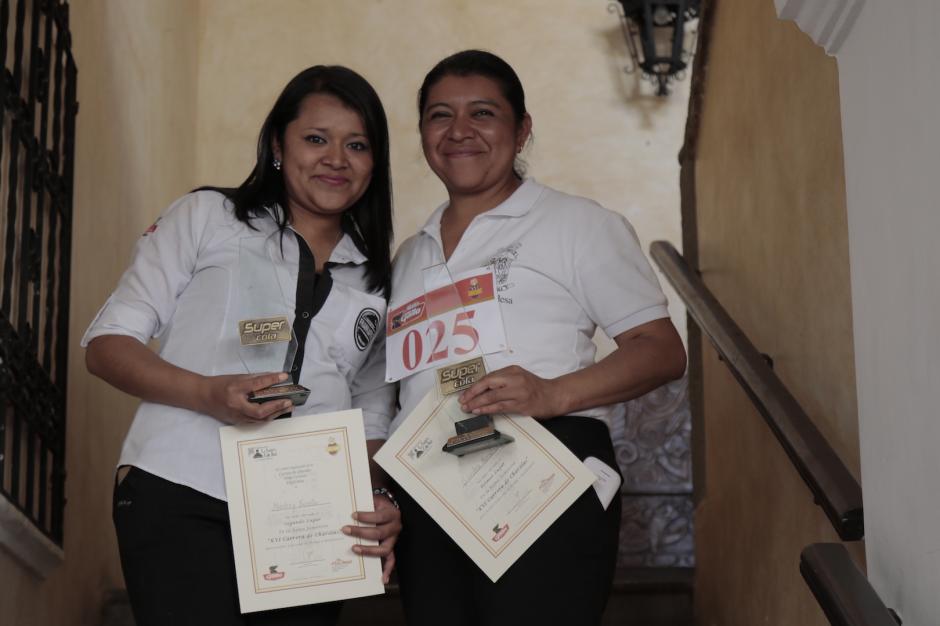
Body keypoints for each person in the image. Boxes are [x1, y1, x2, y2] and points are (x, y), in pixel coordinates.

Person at [84, 65, 401, 626]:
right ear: (278, 145)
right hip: (184, 485)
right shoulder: (207, 217)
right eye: (315, 139)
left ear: (374, 163)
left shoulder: (377, 280)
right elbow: (108, 344)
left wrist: (379, 498)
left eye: (357, 144)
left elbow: (373, 409)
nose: (336, 158)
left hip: (309, 517)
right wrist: (206, 393)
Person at [385, 50, 687, 626]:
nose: (459, 131)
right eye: (439, 115)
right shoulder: (409, 254)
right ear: (423, 132)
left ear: (521, 130)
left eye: (483, 113)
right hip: (432, 487)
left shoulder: (577, 224)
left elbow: (661, 349)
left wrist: (552, 394)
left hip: (540, 467)